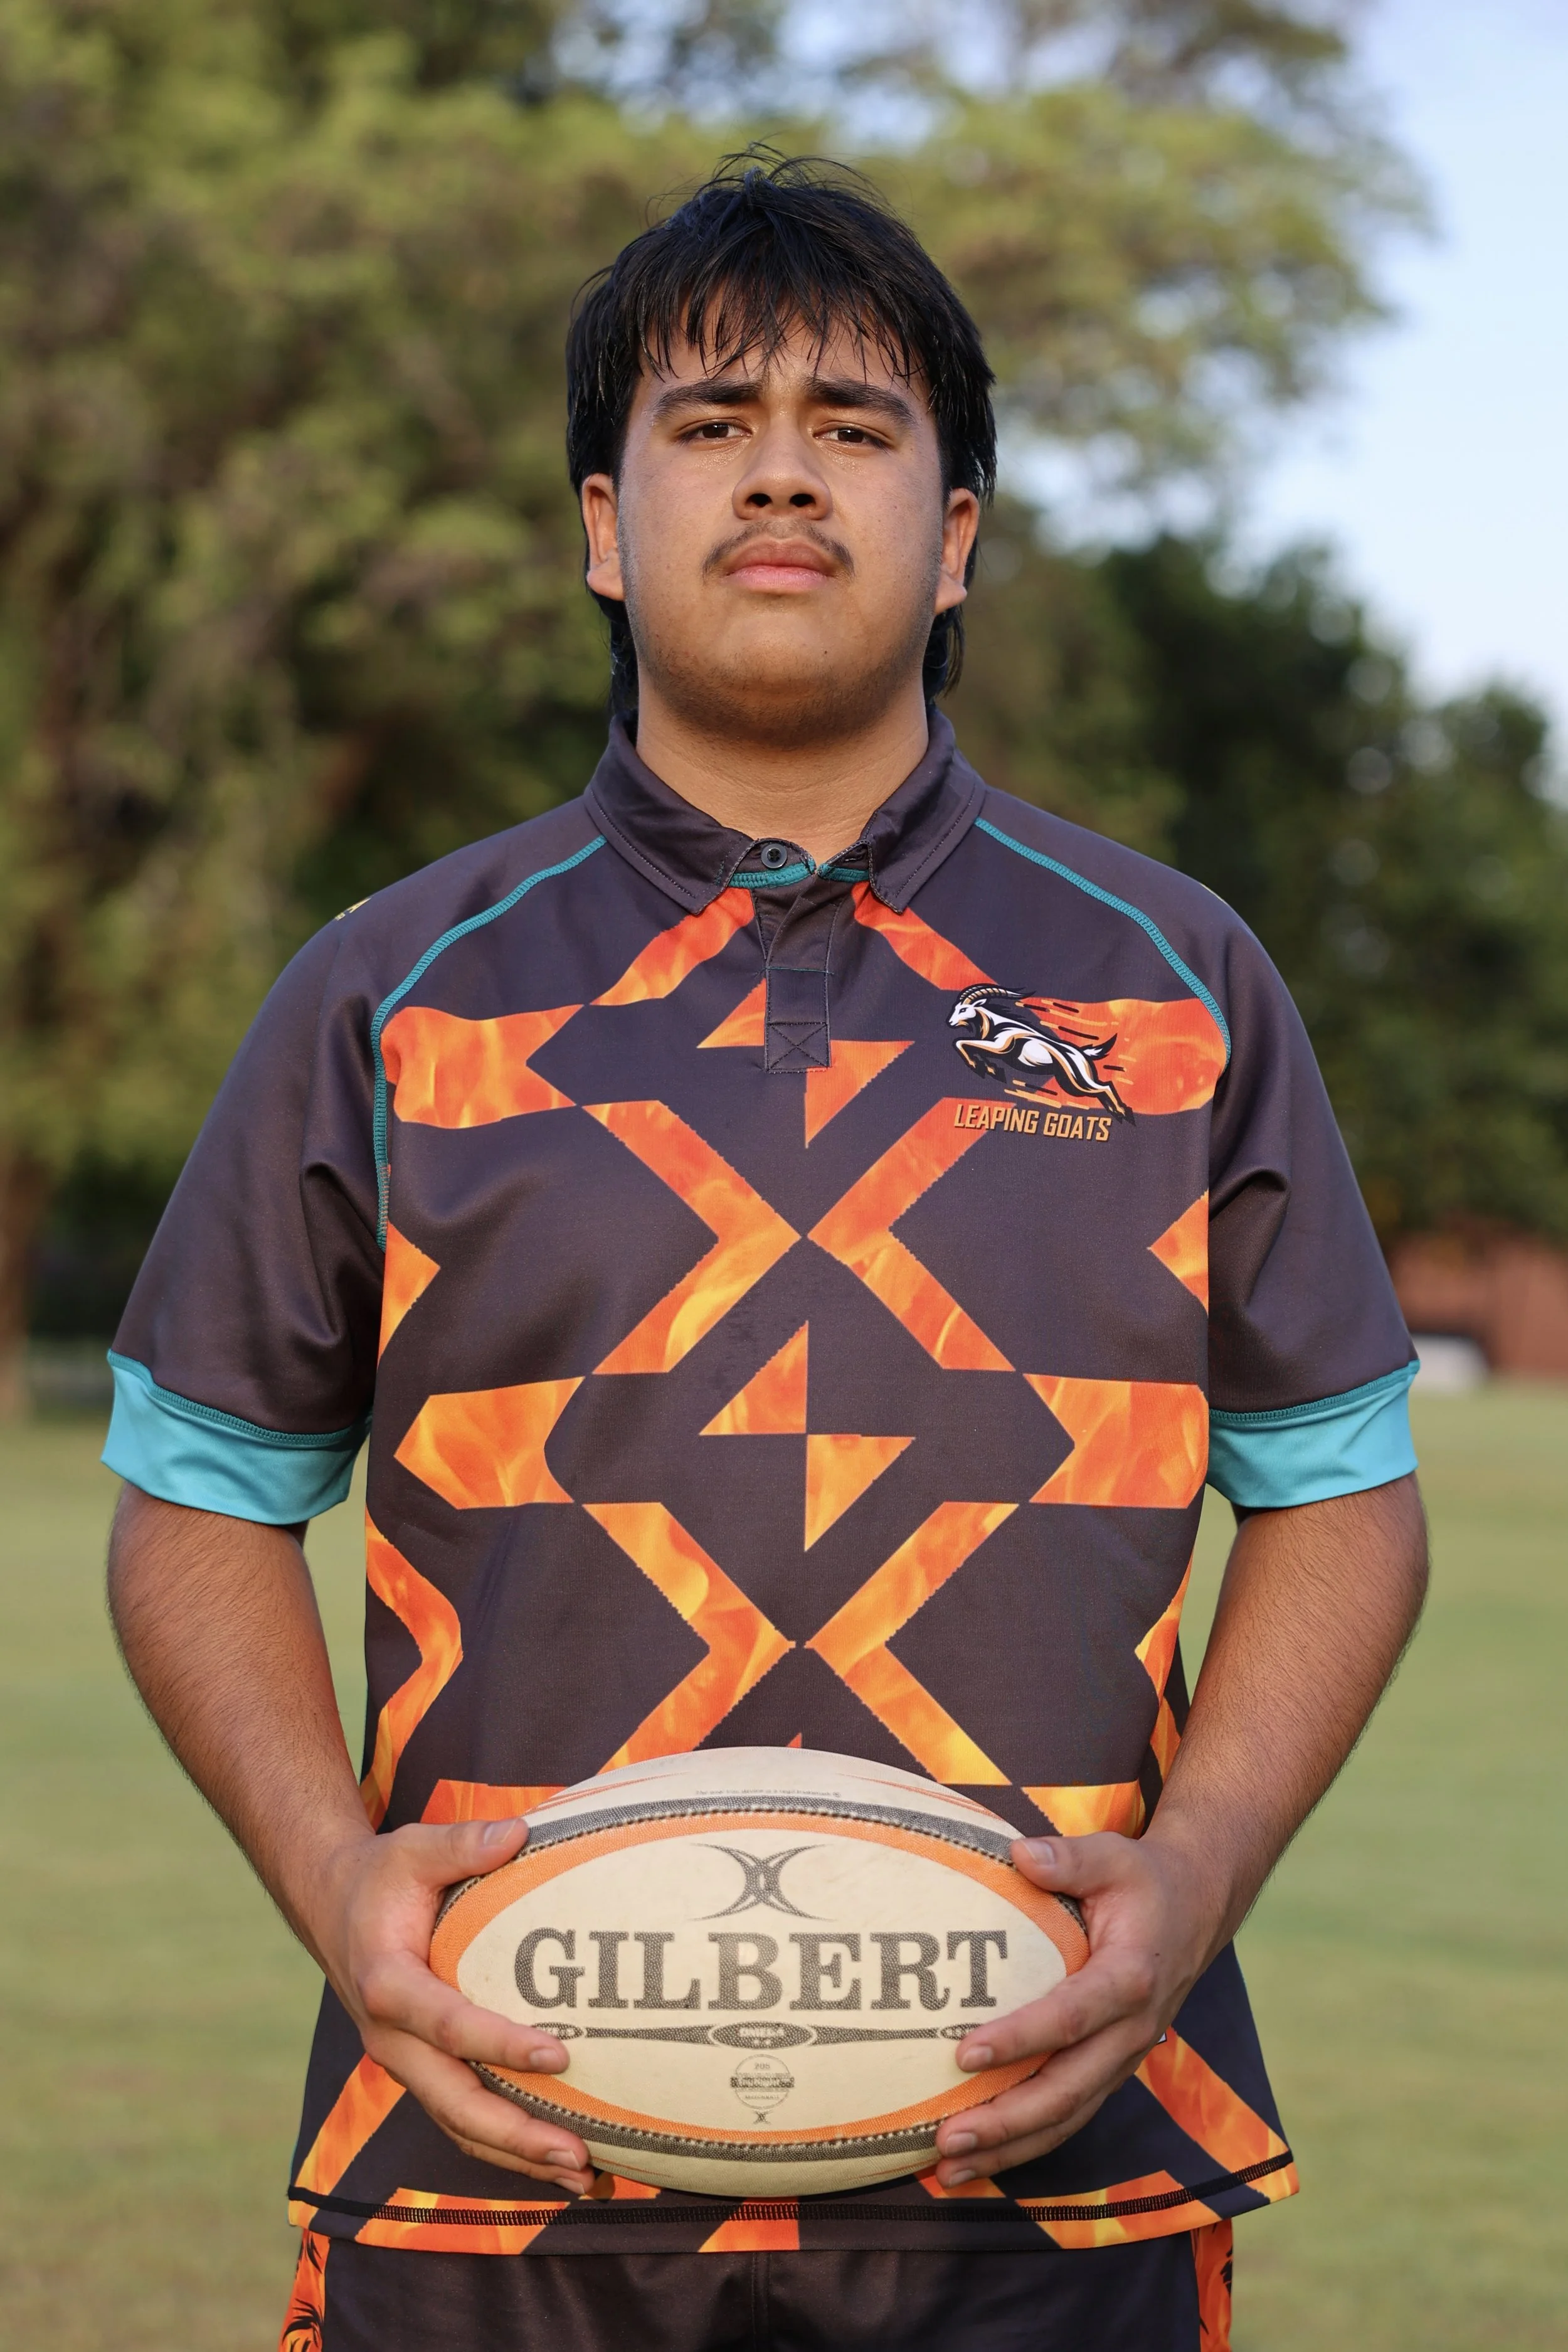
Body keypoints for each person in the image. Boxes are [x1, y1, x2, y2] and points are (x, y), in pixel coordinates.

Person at [104, 153, 1428, 2352]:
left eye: (857, 424)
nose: (783, 473)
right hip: (497, 2166)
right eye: (708, 425)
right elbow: (197, 1503)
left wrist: (1187, 1886)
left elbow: (1338, 1494)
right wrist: (342, 1887)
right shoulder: (386, 987)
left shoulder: (1168, 978)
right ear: (604, 532)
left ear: (960, 536)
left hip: (1051, 2177)